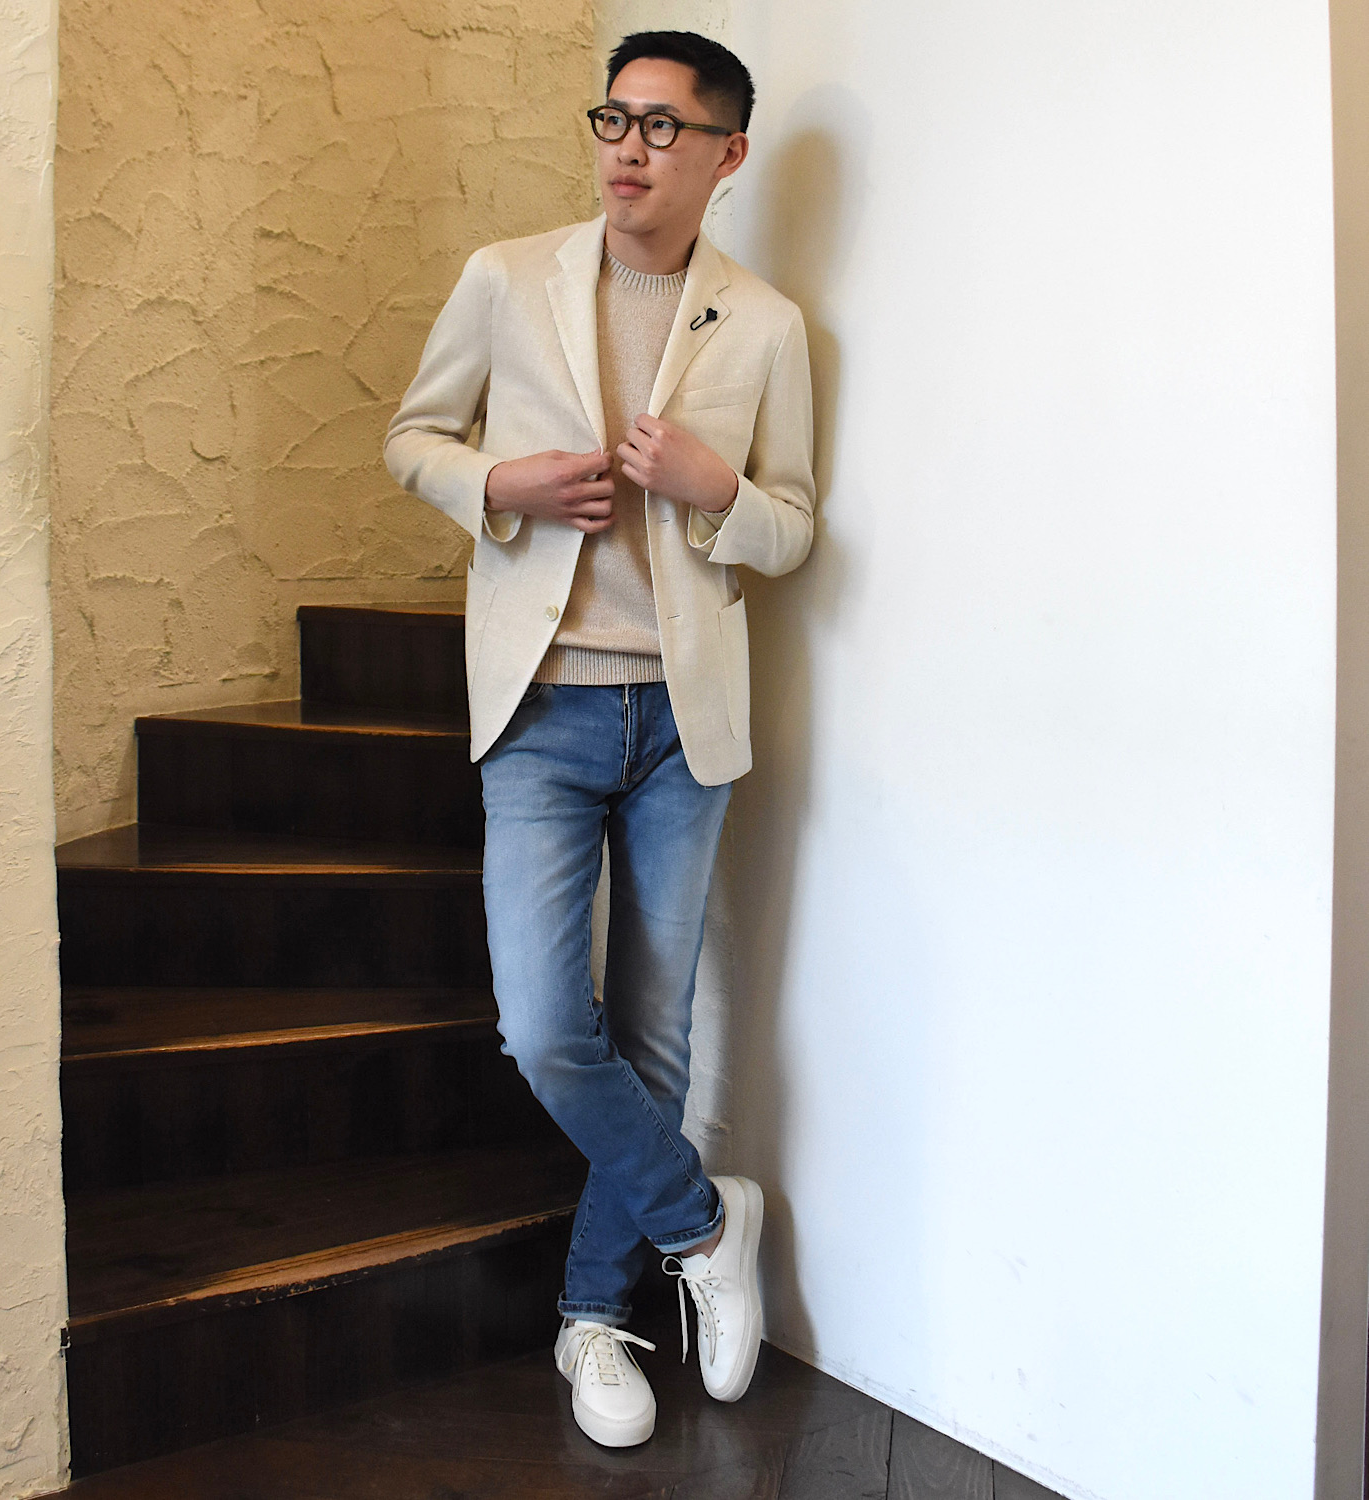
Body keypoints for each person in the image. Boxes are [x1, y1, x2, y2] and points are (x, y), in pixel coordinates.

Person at [384, 29, 815, 1449]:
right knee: (543, 1029)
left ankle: (596, 1316)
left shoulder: (764, 325)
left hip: (684, 721)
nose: (628, 147)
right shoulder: (507, 277)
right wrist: (498, 484)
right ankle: (703, 1225)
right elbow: (413, 437)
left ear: (726, 154)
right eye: (613, 118)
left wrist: (712, 488)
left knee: (654, 1033)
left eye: (663, 126)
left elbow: (791, 528)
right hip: (543, 706)